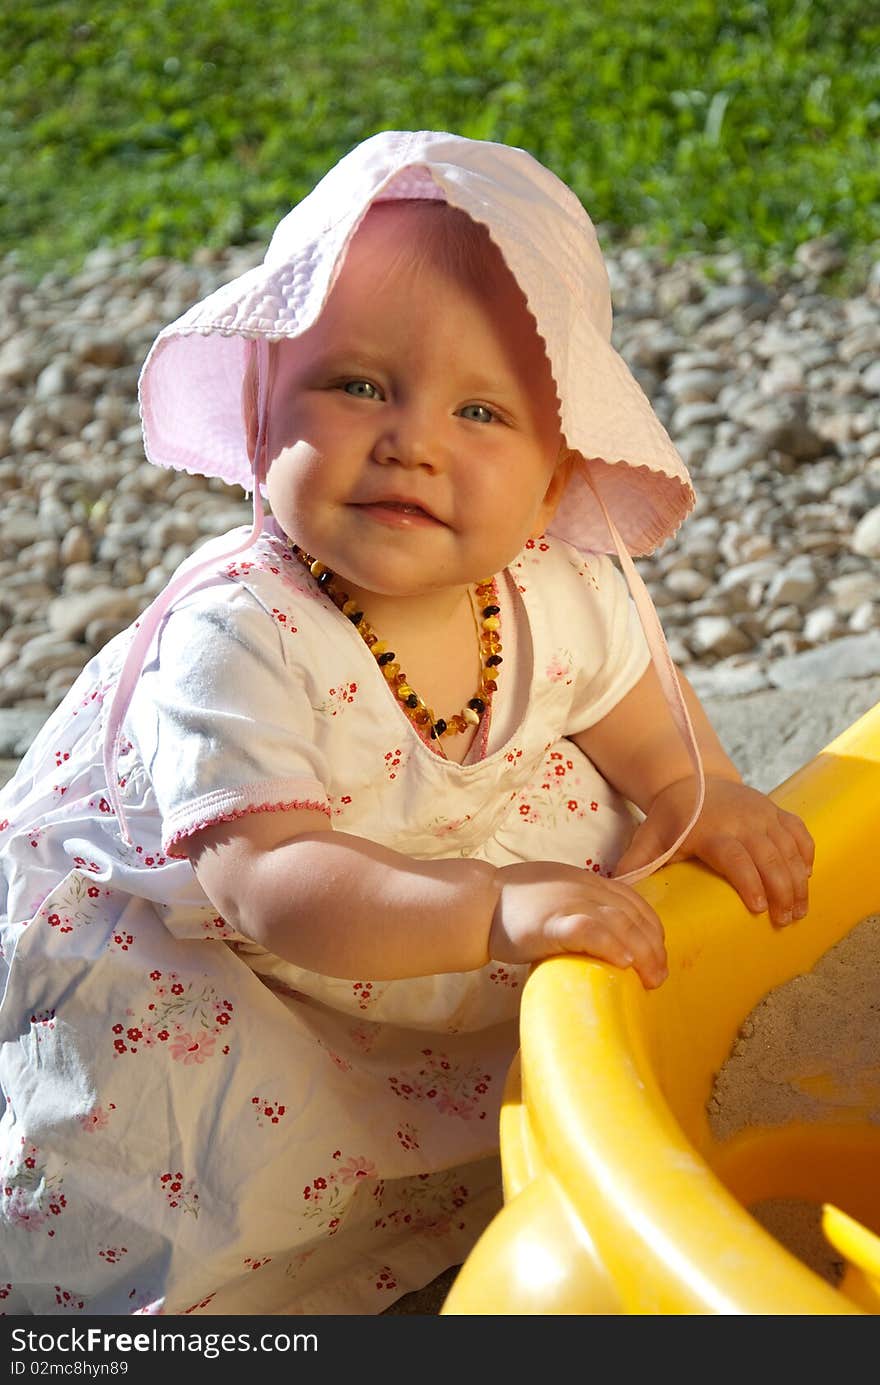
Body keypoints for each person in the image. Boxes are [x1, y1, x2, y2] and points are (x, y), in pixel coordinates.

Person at [0, 130, 813, 1317]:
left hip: (428, 892)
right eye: (357, 385)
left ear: (552, 474)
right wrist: (492, 907)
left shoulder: (550, 578)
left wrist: (707, 792)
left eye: (481, 409)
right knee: (211, 1175)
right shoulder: (239, 638)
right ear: (263, 401)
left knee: (572, 1004)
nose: (412, 440)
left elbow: (631, 700)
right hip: (230, 952)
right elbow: (269, 879)